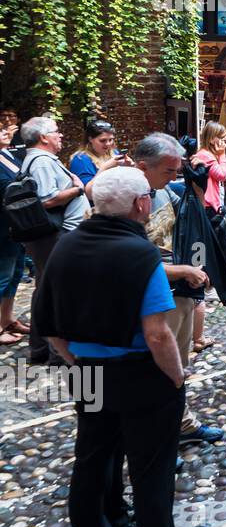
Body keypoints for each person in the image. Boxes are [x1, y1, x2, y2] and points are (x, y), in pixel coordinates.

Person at [37, 165, 219, 527]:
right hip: (140, 374)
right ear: (141, 204)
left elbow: (47, 324)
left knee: (90, 463)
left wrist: (77, 359)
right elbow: (157, 332)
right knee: (151, 474)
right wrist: (176, 378)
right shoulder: (139, 254)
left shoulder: (65, 246)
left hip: (88, 372)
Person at [135, 134, 224, 444]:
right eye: (168, 172)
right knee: (160, 367)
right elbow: (137, 261)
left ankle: (181, 423)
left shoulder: (162, 192)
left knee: (179, 363)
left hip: (179, 292)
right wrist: (188, 270)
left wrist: (197, 187)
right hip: (158, 297)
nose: (174, 177)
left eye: (177, 171)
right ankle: (160, 435)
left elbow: (194, 222)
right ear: (143, 167)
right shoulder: (130, 201)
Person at [18, 117, 87, 366]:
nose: (61, 135)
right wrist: (78, 189)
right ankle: (57, 352)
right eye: (56, 131)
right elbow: (47, 199)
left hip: (51, 237)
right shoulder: (42, 162)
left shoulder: (39, 160)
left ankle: (41, 347)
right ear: (43, 137)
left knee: (46, 290)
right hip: (55, 237)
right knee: (58, 292)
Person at [187, 122, 226, 356]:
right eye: (221, 137)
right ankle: (204, 279)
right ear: (213, 138)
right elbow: (222, 175)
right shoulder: (207, 157)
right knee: (204, 244)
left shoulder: (204, 155)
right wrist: (222, 156)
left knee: (206, 244)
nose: (224, 141)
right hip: (207, 207)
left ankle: (207, 278)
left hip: (208, 206)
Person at [0, 121, 28, 347]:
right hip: (2, 227)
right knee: (2, 276)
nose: (5, 132)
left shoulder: (7, 155)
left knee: (16, 273)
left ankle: (7, 319)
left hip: (17, 226)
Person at [69, 119, 130, 204]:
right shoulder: (81, 160)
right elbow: (88, 194)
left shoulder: (114, 153)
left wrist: (130, 167)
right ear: (90, 139)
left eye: (111, 140)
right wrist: (105, 168)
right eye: (103, 140)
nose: (108, 144)